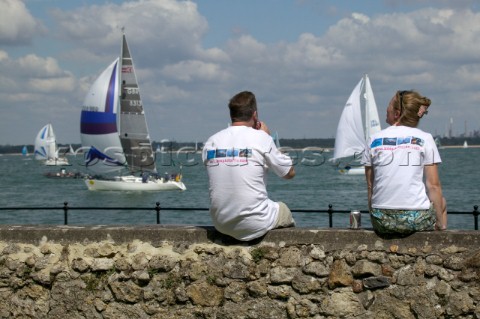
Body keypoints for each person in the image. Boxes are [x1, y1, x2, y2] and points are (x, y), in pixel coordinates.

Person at [202, 91, 296, 241]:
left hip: (221, 223)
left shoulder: (211, 141)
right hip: (256, 223)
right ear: (255, 115)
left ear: (231, 115)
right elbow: (289, 173)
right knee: (284, 210)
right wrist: (268, 137)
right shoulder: (261, 138)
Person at [362, 90, 447, 235]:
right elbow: (433, 186)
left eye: (389, 105)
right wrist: (439, 221)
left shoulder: (373, 140)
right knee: (442, 202)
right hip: (415, 219)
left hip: (382, 220)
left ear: (397, 113)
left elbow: (371, 186)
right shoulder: (425, 138)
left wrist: (375, 216)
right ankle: (442, 233)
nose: (386, 109)